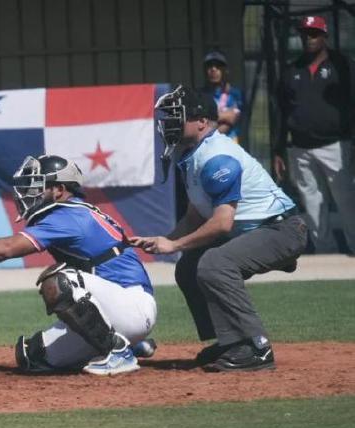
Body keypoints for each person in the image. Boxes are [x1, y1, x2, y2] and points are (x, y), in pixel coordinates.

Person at [131, 85, 308, 372]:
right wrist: (164, 239)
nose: (169, 124)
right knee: (189, 266)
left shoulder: (216, 157)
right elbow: (195, 216)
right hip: (257, 231)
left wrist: (174, 245)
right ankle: (232, 342)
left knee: (214, 263)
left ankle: (255, 346)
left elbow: (222, 222)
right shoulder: (192, 154)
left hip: (283, 230)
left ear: (202, 122)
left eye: (178, 117)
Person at [0, 154, 157, 376]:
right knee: (32, 356)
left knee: (59, 281)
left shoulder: (67, 216)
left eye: (38, 185)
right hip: (118, 308)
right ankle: (129, 342)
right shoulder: (71, 211)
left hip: (132, 304)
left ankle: (118, 350)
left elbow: (7, 248)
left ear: (59, 190)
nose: (28, 192)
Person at [274, 16, 355, 254]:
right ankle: (325, 251)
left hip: (335, 145)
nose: (308, 38)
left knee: (346, 200)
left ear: (324, 36)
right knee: (312, 203)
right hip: (299, 148)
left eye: (313, 33)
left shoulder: (344, 65)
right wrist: (278, 148)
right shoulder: (292, 70)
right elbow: (280, 111)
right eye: (304, 34)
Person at [201, 50, 243, 143]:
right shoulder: (200, 95)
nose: (213, 69)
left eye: (218, 66)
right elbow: (199, 122)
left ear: (225, 70)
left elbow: (232, 118)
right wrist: (223, 116)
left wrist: (210, 121)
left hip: (230, 142)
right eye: (209, 66)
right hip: (207, 145)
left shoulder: (234, 94)